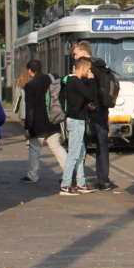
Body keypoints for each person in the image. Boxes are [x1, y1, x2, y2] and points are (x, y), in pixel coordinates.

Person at [72, 41, 115, 191]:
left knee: (80, 145)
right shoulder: (103, 67)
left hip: (89, 113)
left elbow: (85, 91)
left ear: (83, 53)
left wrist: (87, 103)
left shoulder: (87, 68)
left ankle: (77, 178)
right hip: (103, 111)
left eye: (76, 54)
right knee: (102, 146)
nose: (74, 57)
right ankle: (104, 180)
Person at [20, 59, 67, 184]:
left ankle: (32, 175)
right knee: (56, 147)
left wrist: (27, 127)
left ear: (29, 71)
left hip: (38, 124)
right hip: (53, 120)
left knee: (34, 149)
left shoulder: (30, 85)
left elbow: (30, 109)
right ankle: (69, 171)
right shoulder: (51, 80)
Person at [60, 57, 98, 196]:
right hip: (76, 121)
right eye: (88, 69)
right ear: (82, 68)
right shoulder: (76, 82)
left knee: (81, 153)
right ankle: (65, 184)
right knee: (74, 154)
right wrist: (92, 80)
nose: (89, 72)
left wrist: (86, 104)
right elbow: (91, 95)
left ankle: (81, 182)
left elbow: (80, 98)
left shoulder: (71, 81)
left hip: (77, 120)